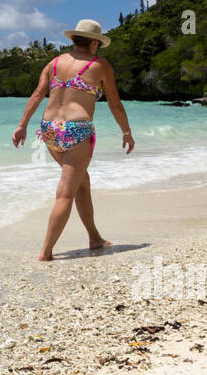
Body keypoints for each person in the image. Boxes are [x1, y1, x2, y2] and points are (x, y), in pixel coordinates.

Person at [12, 19, 134, 261]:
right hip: (77, 130)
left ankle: (94, 238)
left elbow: (38, 95)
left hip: (49, 130)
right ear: (94, 43)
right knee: (65, 193)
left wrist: (22, 125)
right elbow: (115, 103)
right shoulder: (99, 65)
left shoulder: (54, 63)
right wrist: (127, 132)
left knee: (82, 182)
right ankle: (46, 252)